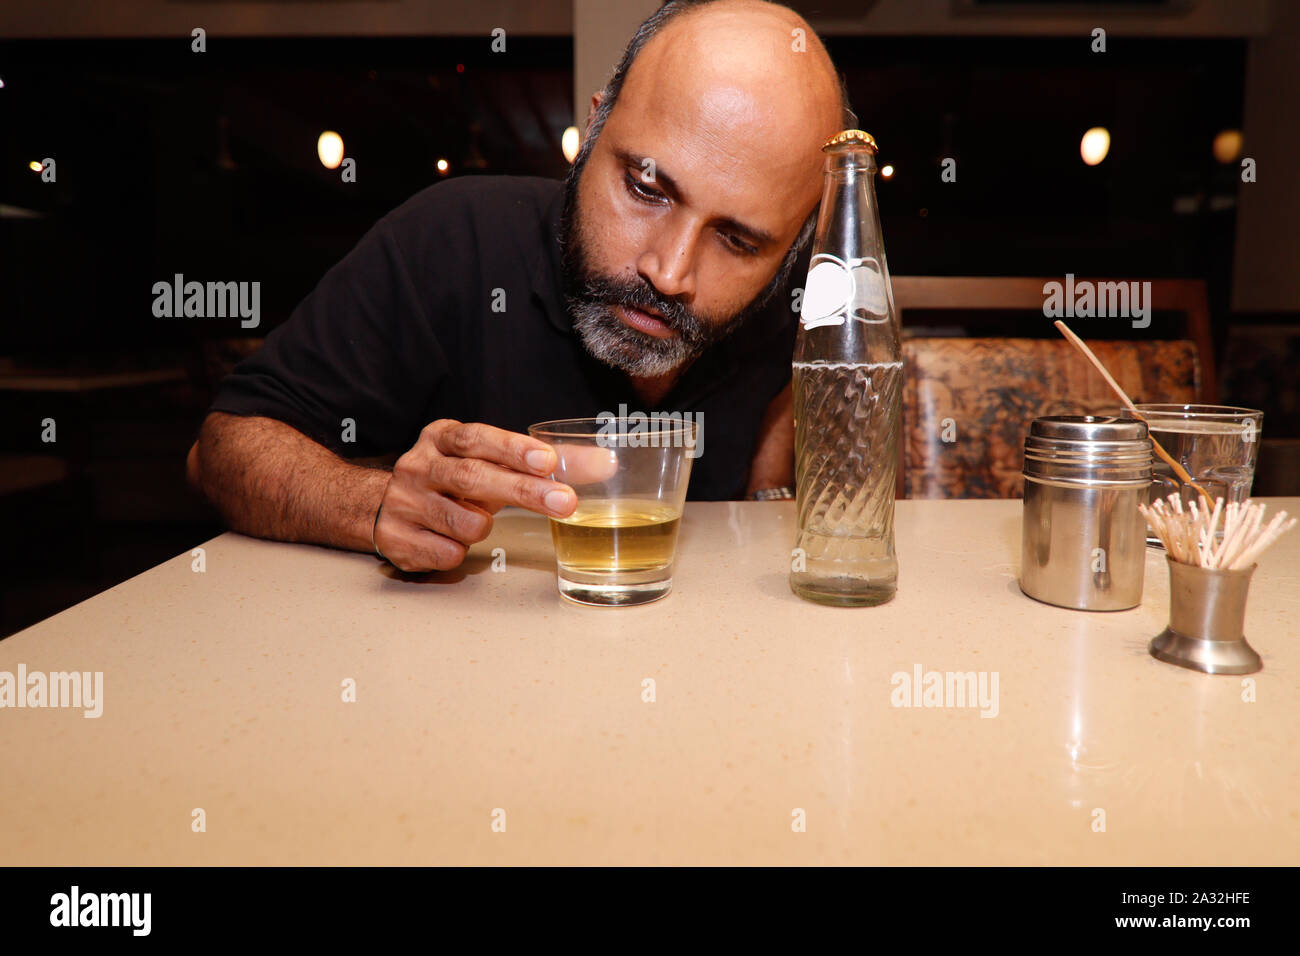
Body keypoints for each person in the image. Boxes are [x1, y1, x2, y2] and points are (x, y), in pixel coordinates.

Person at [187, 0, 851, 572]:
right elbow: (220, 450)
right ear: (592, 131)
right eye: (647, 189)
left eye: (736, 241)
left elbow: (779, 457)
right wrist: (376, 503)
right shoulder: (450, 239)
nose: (670, 273)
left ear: (791, 246)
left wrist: (774, 490)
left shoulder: (793, 304)